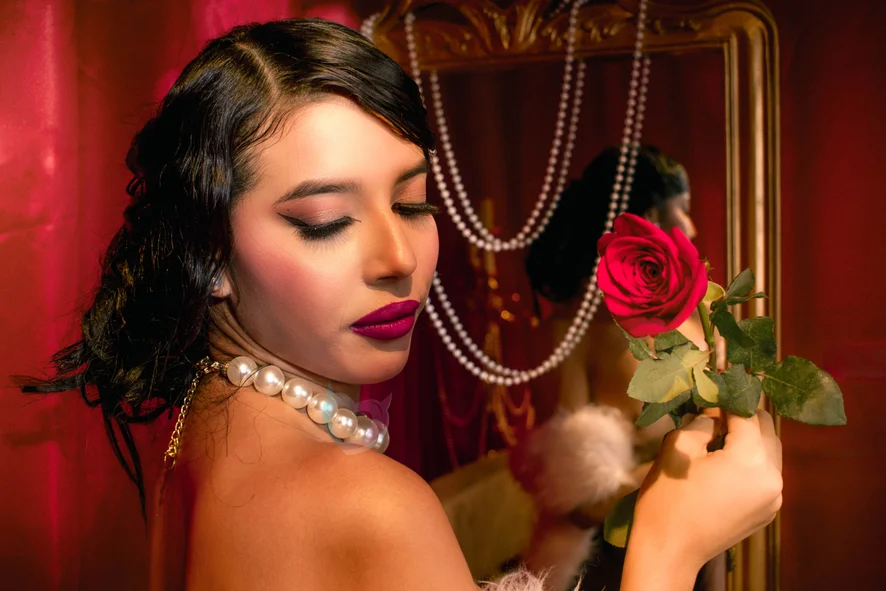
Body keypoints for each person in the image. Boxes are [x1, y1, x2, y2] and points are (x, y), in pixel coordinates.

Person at [19, 19, 781, 591]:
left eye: (413, 202)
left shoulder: (195, 426)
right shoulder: (368, 503)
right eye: (326, 220)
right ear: (208, 253)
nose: (398, 257)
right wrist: (668, 548)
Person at [516, 147, 723, 589]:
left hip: (709, 546)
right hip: (622, 560)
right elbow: (573, 498)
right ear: (648, 217)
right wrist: (687, 485)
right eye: (683, 209)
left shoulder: (701, 315)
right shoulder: (574, 332)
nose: (692, 227)